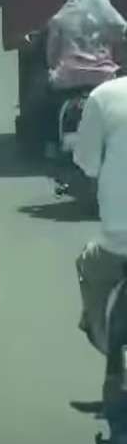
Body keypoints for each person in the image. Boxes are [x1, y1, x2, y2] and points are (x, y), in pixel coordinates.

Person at [73, 75, 127, 359]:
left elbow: (86, 161)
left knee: (87, 264)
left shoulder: (104, 95)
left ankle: (102, 336)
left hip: (118, 243)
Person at [46, 0, 126, 91]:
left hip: (67, 79)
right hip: (105, 78)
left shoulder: (59, 18)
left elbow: (51, 58)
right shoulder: (110, 19)